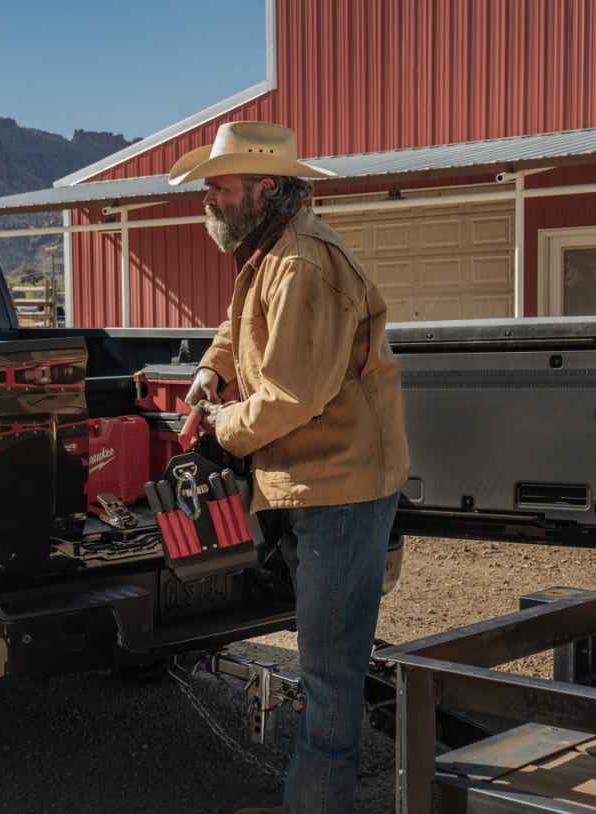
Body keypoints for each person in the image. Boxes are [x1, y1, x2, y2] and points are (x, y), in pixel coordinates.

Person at [169, 121, 410, 814]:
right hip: (312, 477)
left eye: (219, 186)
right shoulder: (269, 250)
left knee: (330, 666)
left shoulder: (302, 262)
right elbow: (239, 324)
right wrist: (211, 371)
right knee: (324, 655)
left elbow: (291, 395)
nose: (207, 198)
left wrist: (222, 428)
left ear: (264, 188)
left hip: (338, 487)